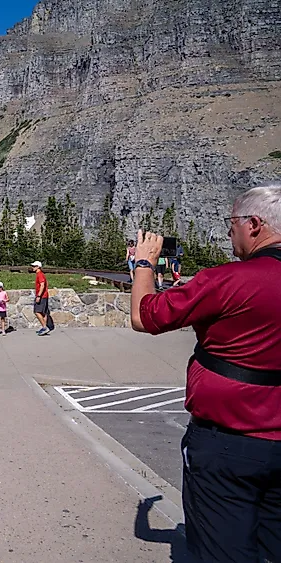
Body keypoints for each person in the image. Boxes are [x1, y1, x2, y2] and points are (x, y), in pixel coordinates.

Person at [129, 185, 281, 563]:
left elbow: (144, 315)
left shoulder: (227, 280)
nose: (229, 232)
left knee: (222, 550)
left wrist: (145, 263)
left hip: (228, 443)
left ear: (254, 225)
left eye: (232, 223)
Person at [31, 261, 50, 335]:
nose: (32, 267)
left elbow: (42, 285)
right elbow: (46, 284)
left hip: (42, 296)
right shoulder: (41, 274)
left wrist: (39, 296)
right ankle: (44, 328)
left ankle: (45, 327)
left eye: (34, 266)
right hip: (44, 295)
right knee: (43, 313)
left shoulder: (40, 275)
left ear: (38, 267)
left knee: (37, 311)